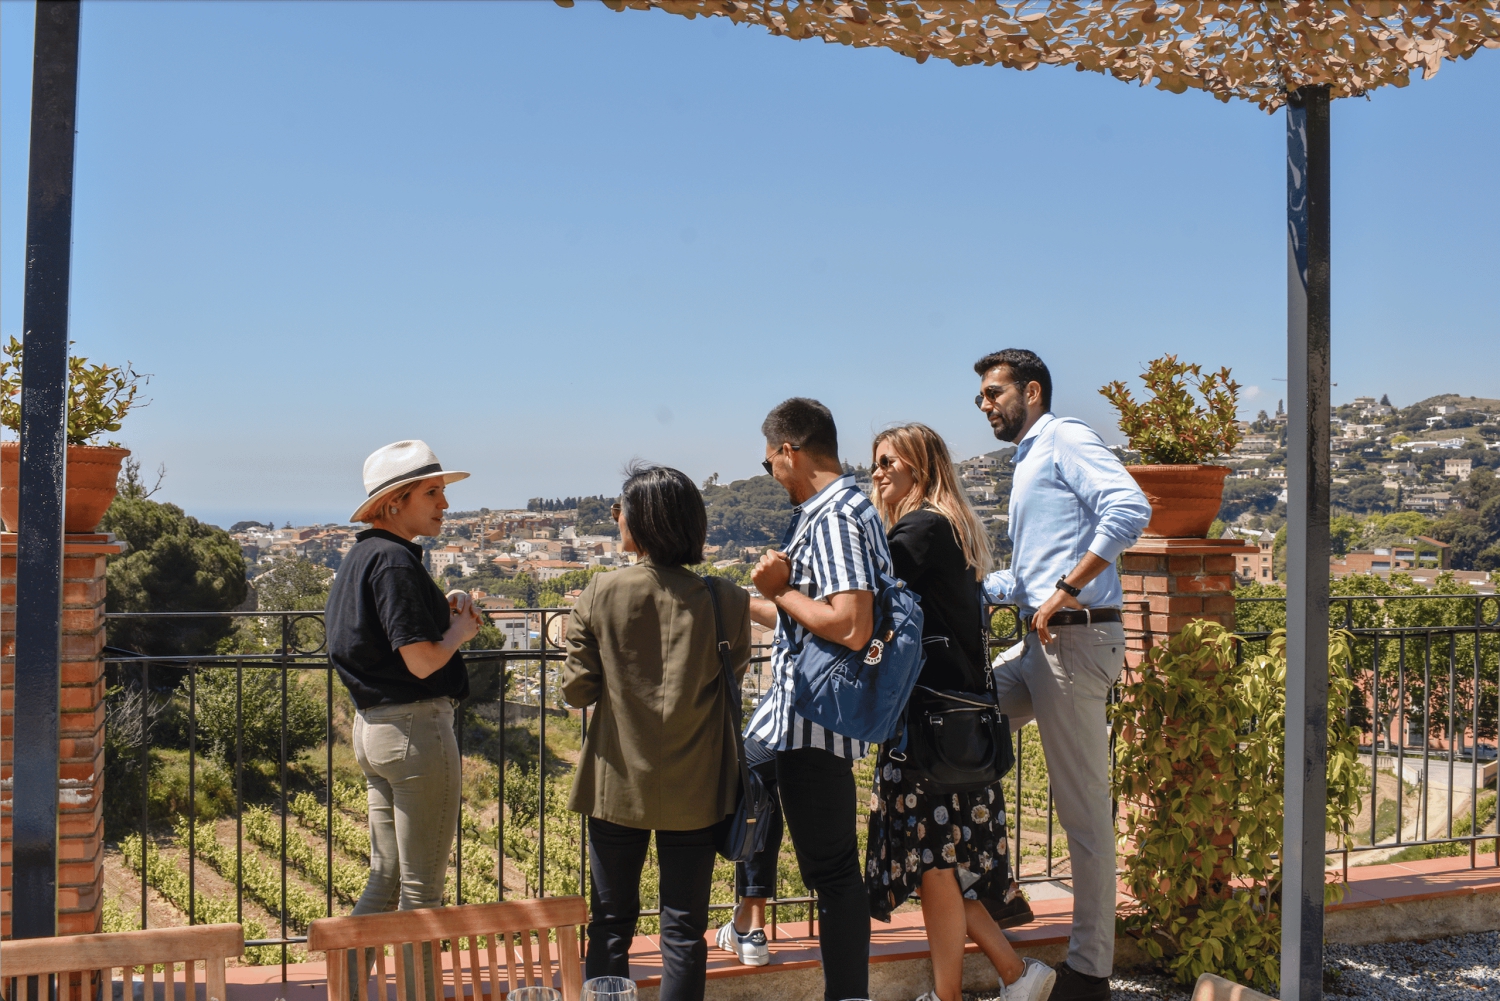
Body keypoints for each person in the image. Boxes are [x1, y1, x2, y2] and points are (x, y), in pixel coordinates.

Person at [974, 350, 1152, 1001]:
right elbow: (1023, 581)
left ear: (1032, 389)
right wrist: (964, 587)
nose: (986, 405)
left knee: (1083, 817)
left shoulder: (1065, 437)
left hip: (1073, 643)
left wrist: (1066, 591)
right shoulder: (1028, 459)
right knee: (961, 717)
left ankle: (1090, 973)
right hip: (1038, 646)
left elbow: (1130, 509)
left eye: (993, 393)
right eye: (981, 398)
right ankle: (990, 880)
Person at [865, 423, 1057, 1001]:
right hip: (958, 721)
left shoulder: (919, 529)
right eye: (875, 463)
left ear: (918, 471)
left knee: (933, 864)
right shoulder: (953, 527)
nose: (876, 474)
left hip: (930, 726)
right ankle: (1015, 977)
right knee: (939, 866)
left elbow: (861, 597)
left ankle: (974, 988)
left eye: (888, 464)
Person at [562, 464, 752, 1001]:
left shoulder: (601, 593)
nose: (615, 519)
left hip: (617, 784)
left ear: (640, 523)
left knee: (611, 923)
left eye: (619, 511)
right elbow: (729, 677)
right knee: (684, 930)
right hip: (697, 788)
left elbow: (577, 691)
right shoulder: (727, 601)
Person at [722, 398, 884, 1001]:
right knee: (751, 789)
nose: (771, 477)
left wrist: (780, 588)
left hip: (813, 720)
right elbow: (806, 618)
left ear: (788, 452)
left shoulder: (836, 514)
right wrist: (748, 599)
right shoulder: (833, 510)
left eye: (769, 465)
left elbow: (850, 624)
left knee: (835, 872)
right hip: (794, 716)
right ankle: (749, 915)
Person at [326, 440, 482, 915]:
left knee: (385, 879)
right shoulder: (396, 562)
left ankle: (349, 989)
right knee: (422, 895)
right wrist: (458, 631)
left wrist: (441, 605)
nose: (445, 504)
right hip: (415, 733)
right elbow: (421, 661)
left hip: (373, 730)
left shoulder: (363, 558)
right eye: (432, 493)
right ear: (395, 502)